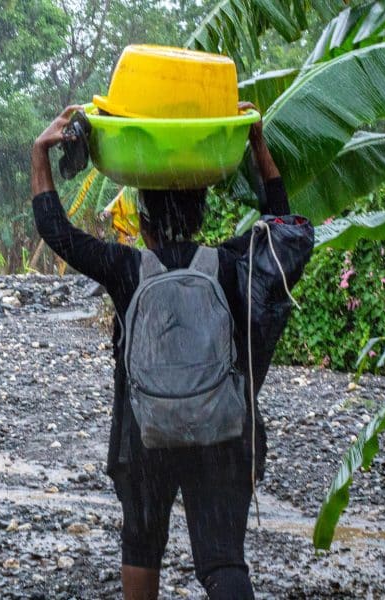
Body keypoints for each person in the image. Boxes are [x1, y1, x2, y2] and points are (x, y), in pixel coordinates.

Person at [30, 104, 311, 599]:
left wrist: (40, 154)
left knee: (141, 544)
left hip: (143, 437)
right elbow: (285, 226)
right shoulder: (231, 265)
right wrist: (257, 147)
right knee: (223, 559)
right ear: (201, 214)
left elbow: (58, 233)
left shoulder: (126, 268)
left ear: (142, 220)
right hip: (223, 434)